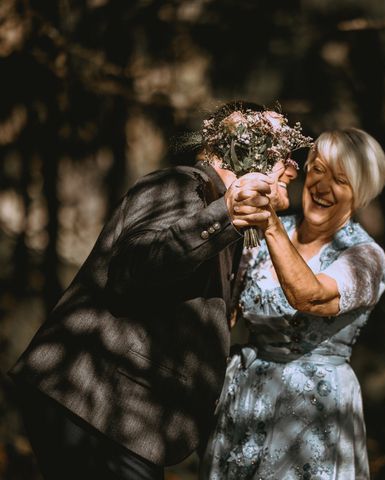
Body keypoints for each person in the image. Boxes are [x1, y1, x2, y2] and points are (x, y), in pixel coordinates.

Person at [8, 102, 300, 480]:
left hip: (122, 417)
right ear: (238, 151)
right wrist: (225, 215)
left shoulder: (220, 216)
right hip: (100, 401)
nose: (291, 166)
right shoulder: (180, 184)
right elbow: (137, 265)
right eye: (278, 152)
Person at [201, 127, 385, 480]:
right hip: (245, 398)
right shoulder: (263, 235)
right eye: (318, 170)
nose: (323, 186)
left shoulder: (366, 256)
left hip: (314, 412)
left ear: (360, 194)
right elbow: (227, 311)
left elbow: (311, 297)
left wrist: (269, 223)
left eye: (341, 180)